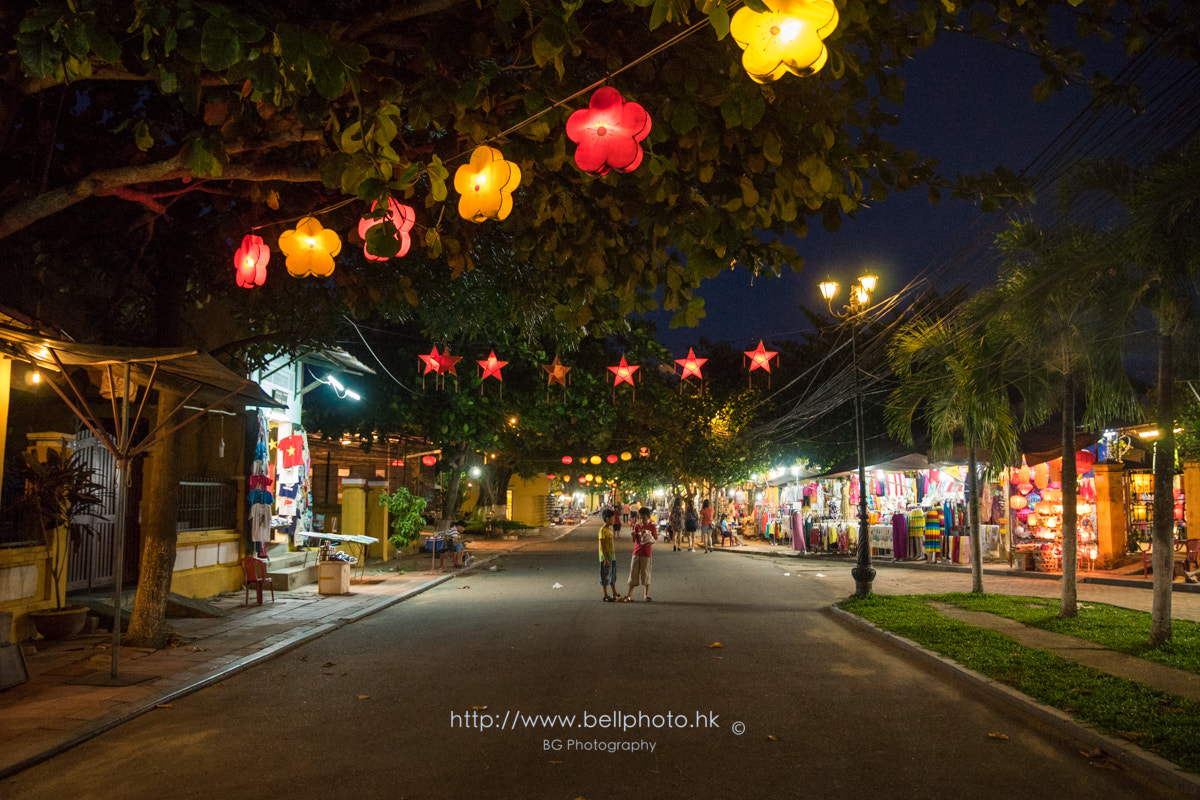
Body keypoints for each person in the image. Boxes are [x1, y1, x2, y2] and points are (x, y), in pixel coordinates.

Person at [623, 507, 658, 602]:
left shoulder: (652, 527)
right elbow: (635, 540)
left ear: (648, 517)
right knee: (633, 572)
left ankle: (646, 594)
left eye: (643, 518)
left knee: (646, 573)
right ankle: (629, 594)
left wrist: (647, 534)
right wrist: (634, 535)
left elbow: (654, 539)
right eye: (640, 517)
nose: (642, 520)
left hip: (646, 553)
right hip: (637, 552)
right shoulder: (637, 526)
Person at [598, 509, 620, 601]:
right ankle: (605, 594)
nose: (614, 520)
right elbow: (602, 545)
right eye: (612, 518)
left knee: (612, 574)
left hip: (612, 556)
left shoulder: (609, 530)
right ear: (607, 519)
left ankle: (614, 592)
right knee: (605, 575)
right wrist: (605, 559)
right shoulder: (602, 530)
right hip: (605, 556)